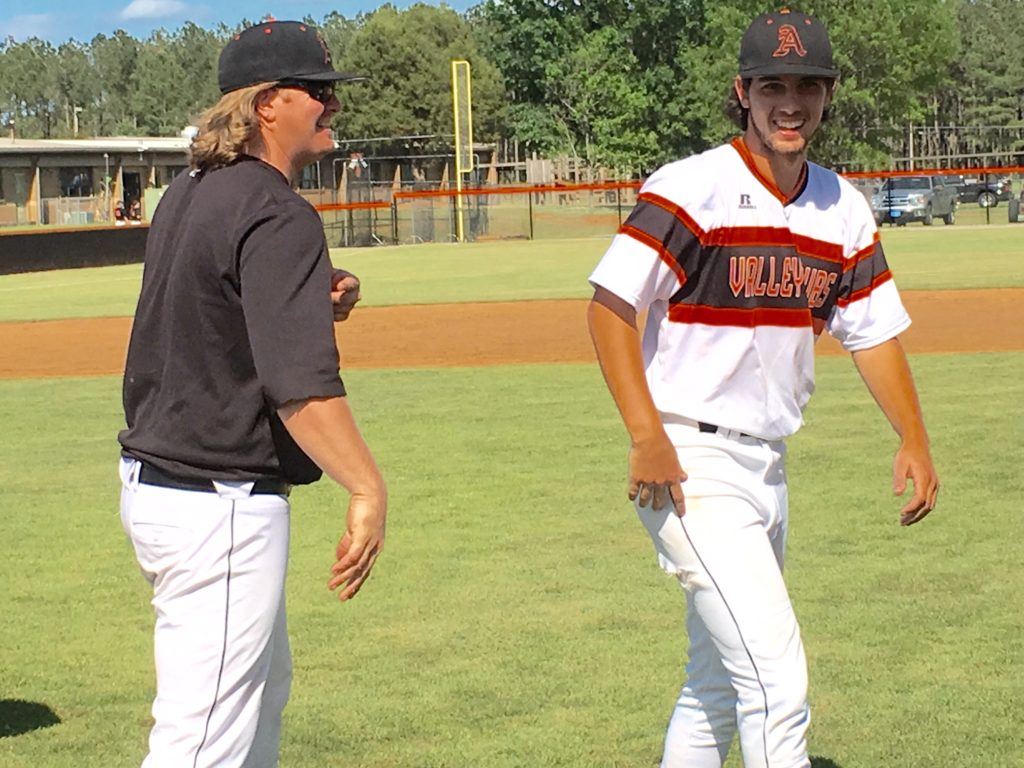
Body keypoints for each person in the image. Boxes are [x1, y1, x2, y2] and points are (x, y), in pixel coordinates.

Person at [587, 9, 939, 768]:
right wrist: (648, 435)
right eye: (773, 84)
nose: (791, 102)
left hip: (767, 466)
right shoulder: (691, 188)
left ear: (828, 94)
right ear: (741, 91)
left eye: (807, 85)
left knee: (716, 682)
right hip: (689, 460)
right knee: (776, 680)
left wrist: (912, 438)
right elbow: (611, 306)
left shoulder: (839, 206)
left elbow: (871, 331)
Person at [117, 20, 385, 768]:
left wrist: (302, 300)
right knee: (201, 744)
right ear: (269, 104)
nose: (333, 106)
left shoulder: (192, 193)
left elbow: (212, 312)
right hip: (217, 504)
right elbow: (300, 387)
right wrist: (365, 488)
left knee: (259, 696)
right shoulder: (275, 210)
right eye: (319, 93)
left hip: (168, 484)